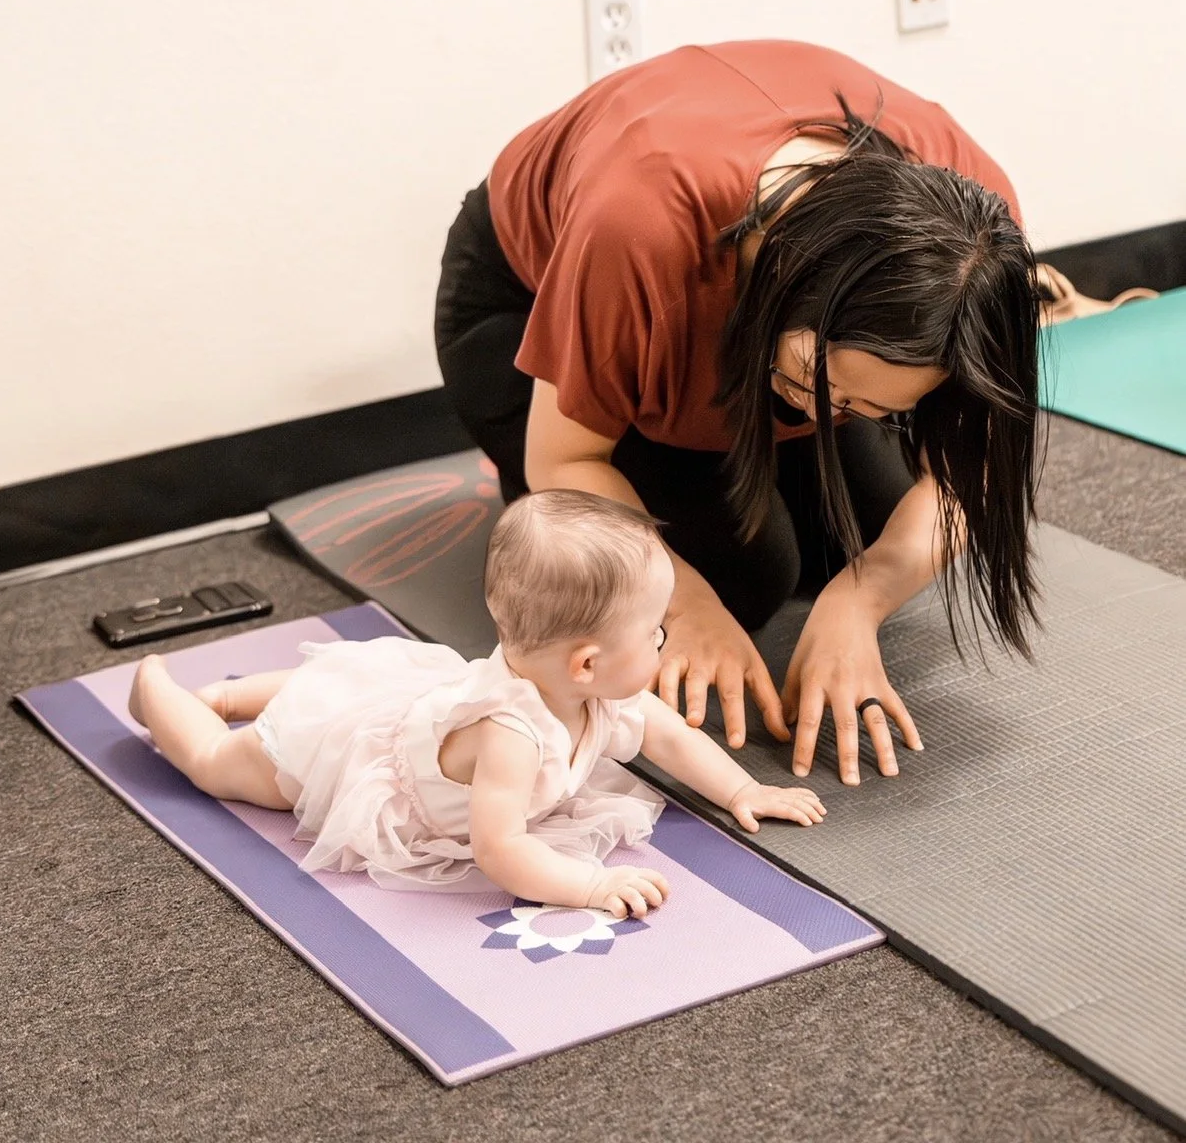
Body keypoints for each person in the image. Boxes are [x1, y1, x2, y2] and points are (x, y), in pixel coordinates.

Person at [435, 40, 1042, 785]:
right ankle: (553, 517)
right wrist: (684, 607)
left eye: (871, 408)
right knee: (746, 576)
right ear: (785, 285)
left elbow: (968, 476)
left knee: (851, 546)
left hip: (754, 328)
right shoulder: (640, 225)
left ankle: (770, 427)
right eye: (827, 390)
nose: (840, 417)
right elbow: (564, 459)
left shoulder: (974, 250)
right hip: (519, 303)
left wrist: (862, 598)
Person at [128, 491, 824, 918]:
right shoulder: (513, 734)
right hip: (367, 767)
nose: (667, 641)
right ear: (586, 663)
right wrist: (586, 885)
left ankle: (237, 691)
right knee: (230, 764)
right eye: (657, 632)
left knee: (351, 679)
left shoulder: (597, 692)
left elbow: (667, 736)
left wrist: (741, 788)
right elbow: (499, 847)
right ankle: (170, 691)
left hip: (414, 704)